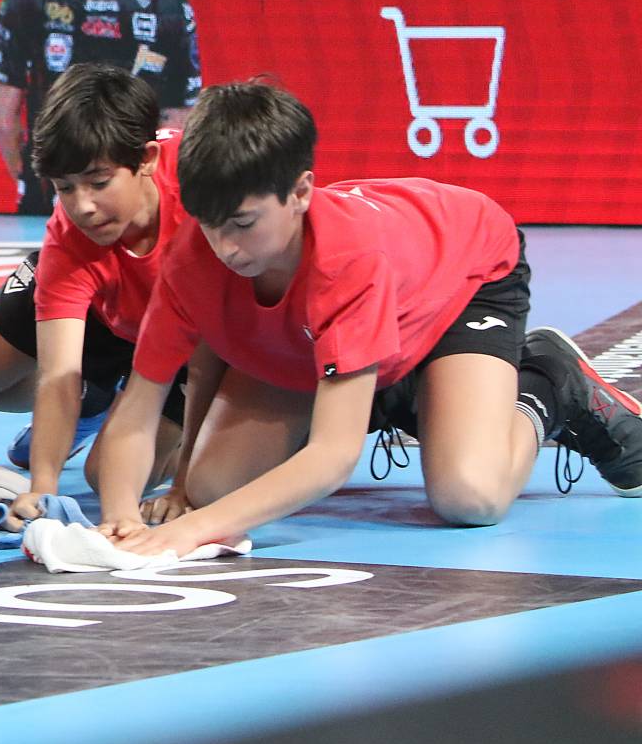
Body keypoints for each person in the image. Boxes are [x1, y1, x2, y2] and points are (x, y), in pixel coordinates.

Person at [92, 81, 642, 560]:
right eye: (209, 224)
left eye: (242, 223)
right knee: (215, 488)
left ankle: (549, 383)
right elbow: (141, 408)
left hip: (463, 277)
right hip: (324, 333)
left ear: (300, 192)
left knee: (470, 496)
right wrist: (122, 518)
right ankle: (388, 390)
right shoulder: (193, 257)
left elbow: (334, 456)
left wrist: (192, 531)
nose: (225, 247)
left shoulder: (347, 262)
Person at [0, 65, 190, 520]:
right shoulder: (69, 237)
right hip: (105, 316)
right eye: (64, 187)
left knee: (108, 477)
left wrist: (186, 483)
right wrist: (42, 490)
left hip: (185, 339)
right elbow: (57, 375)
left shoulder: (201, 185)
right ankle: (94, 399)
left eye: (99, 182)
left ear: (147, 159)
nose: (83, 206)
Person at [0, 0, 200, 215]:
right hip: (52, 197)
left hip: (126, 197)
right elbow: (3, 112)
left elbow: (178, 118)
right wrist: (33, 176)